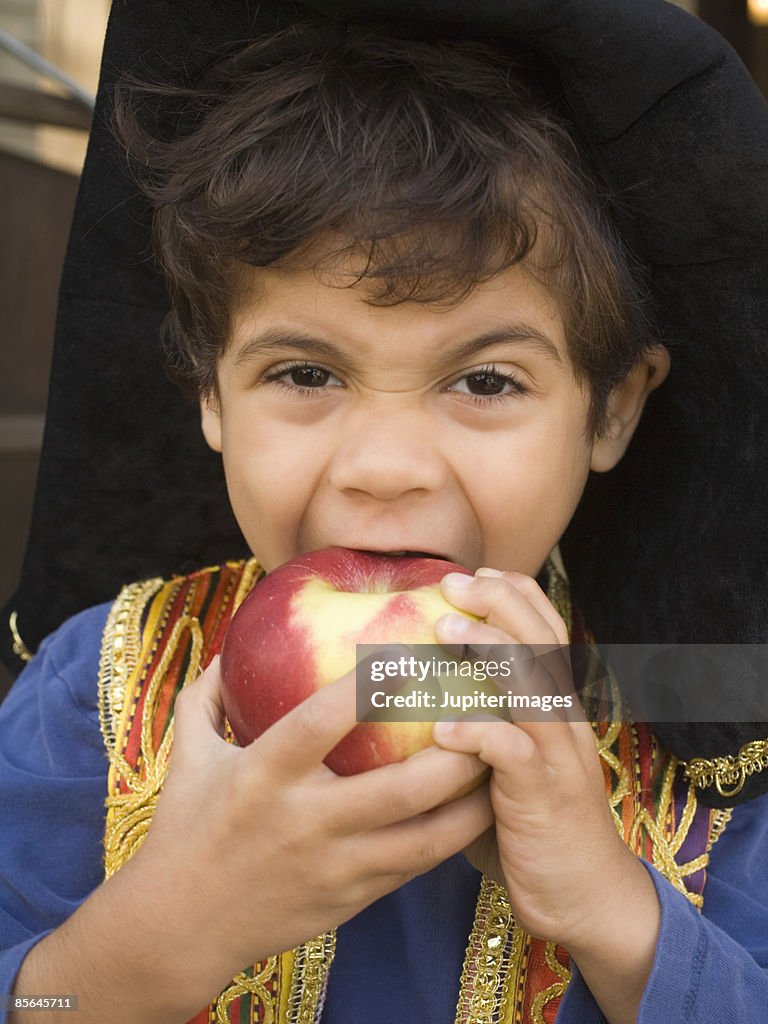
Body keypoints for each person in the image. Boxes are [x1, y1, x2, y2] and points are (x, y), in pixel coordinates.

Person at [1, 12, 767, 1024]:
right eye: (306, 372)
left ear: (613, 406)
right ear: (211, 398)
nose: (386, 470)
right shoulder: (99, 691)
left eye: (486, 380)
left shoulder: (694, 719)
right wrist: (169, 927)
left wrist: (612, 907)